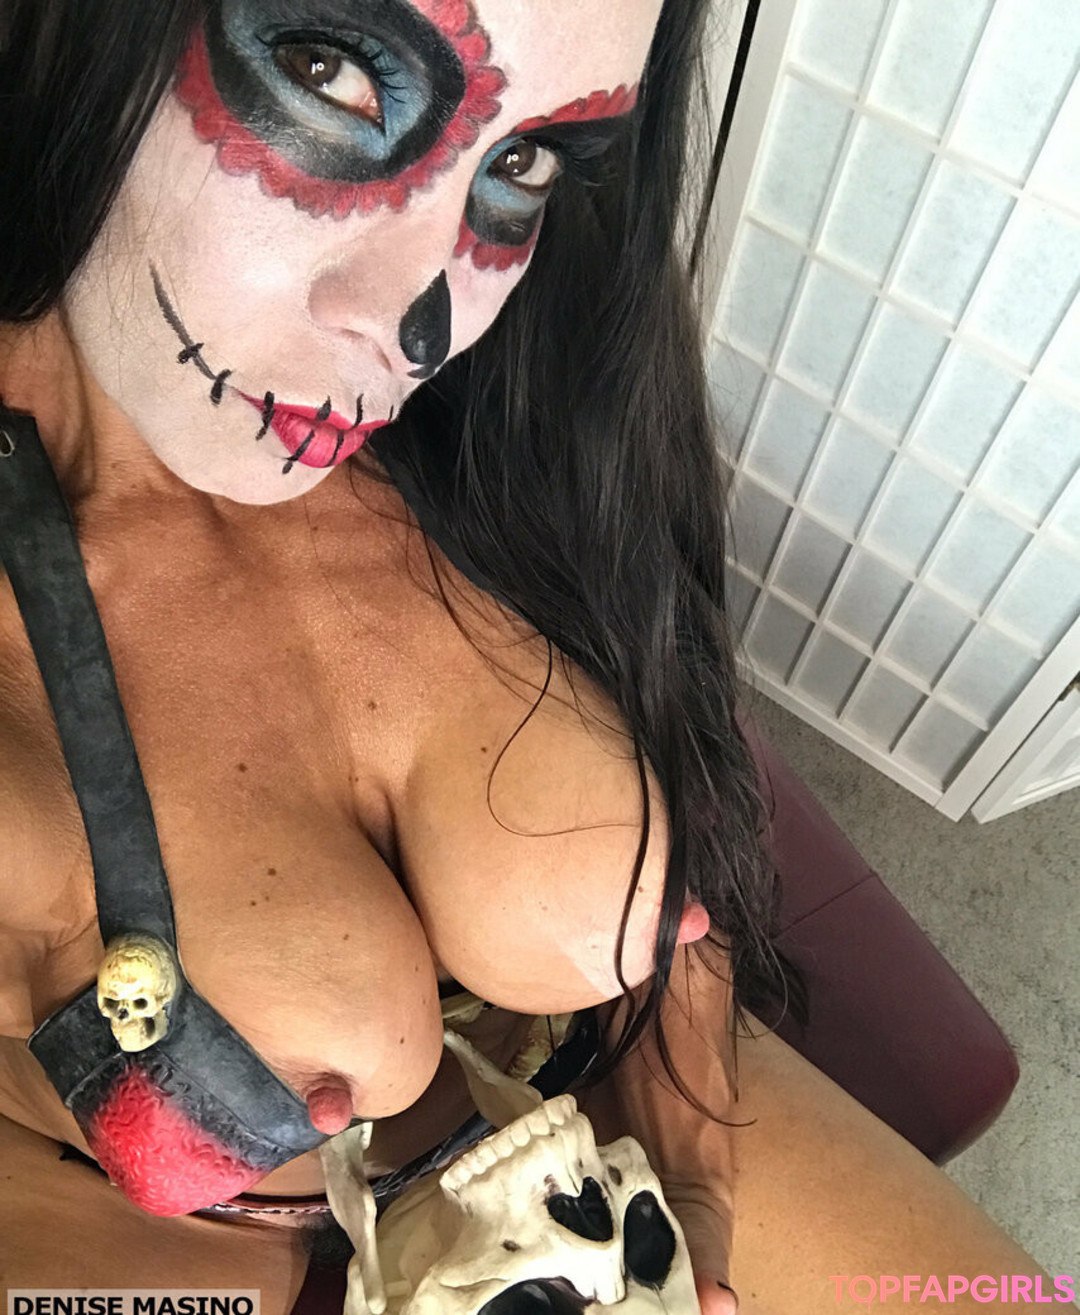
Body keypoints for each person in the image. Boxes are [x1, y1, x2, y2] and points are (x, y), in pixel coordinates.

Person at [0, 2, 1064, 1312]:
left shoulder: (511, 423)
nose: (420, 321)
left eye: (522, 162)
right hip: (122, 1218)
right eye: (332, 72)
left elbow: (680, 852)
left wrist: (684, 1089)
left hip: (575, 1110)